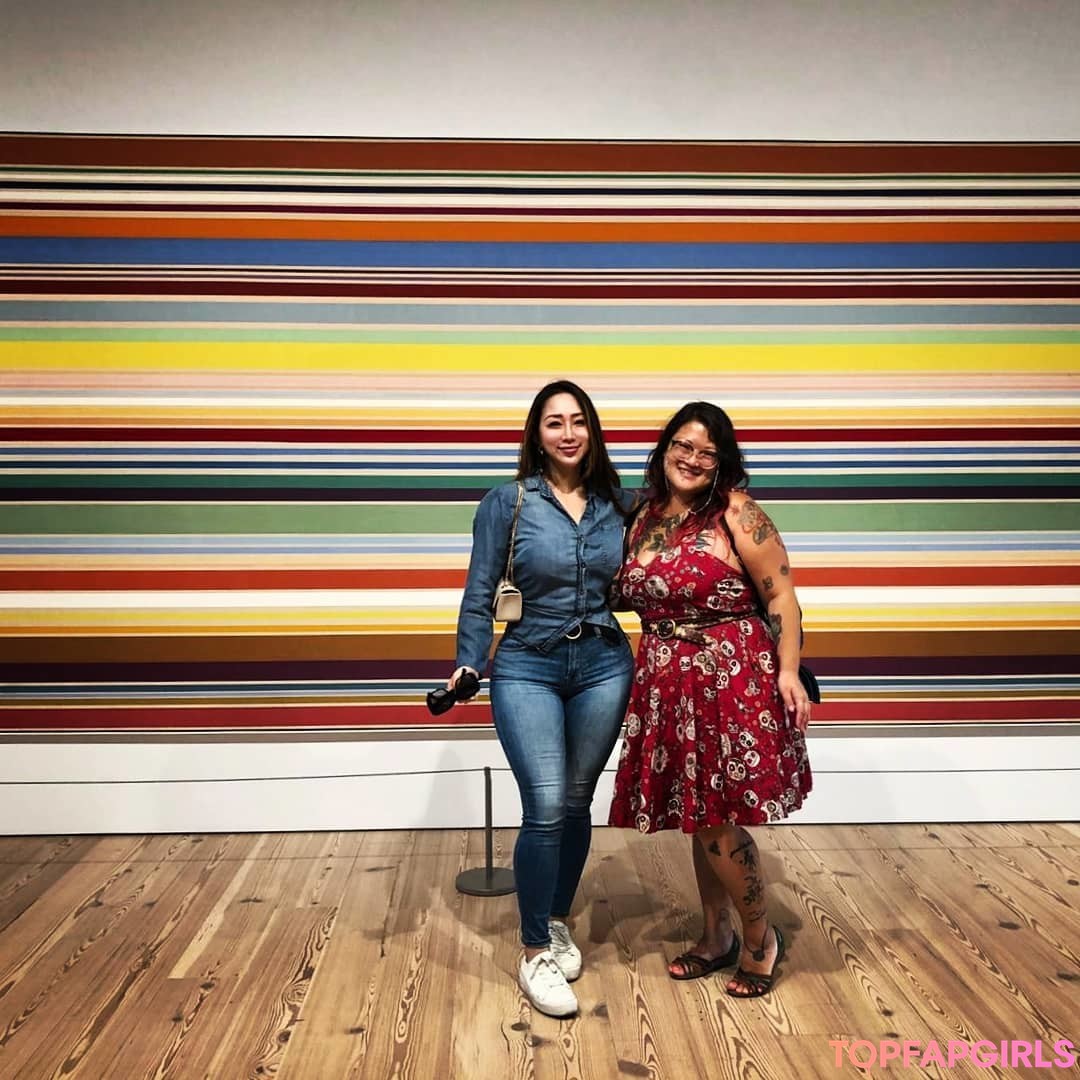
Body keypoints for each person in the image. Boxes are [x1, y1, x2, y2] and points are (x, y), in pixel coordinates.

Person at [608, 401, 812, 998]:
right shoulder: (642, 517)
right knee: (698, 820)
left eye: (707, 452)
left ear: (722, 462)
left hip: (729, 677)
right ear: (664, 447)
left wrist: (789, 671)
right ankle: (716, 934)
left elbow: (781, 596)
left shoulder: (737, 513)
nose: (692, 459)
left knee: (718, 820)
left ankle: (759, 939)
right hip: (666, 681)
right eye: (683, 445)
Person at [449, 379, 635, 1018]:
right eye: (554, 422)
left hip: (604, 664)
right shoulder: (507, 503)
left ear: (592, 430)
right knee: (548, 803)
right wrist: (469, 660)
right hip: (528, 662)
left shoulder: (620, 504)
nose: (567, 433)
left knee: (579, 801)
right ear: (537, 434)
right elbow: (480, 590)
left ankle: (555, 920)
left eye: (578, 421)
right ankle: (533, 952)